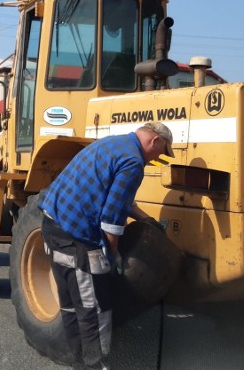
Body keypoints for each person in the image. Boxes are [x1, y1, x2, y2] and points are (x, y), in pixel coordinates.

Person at [37, 121, 173, 370]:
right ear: (155, 141)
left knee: (70, 303)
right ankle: (93, 365)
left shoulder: (113, 144)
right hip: (76, 239)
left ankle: (78, 360)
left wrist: (146, 220)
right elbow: (112, 219)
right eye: (161, 152)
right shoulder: (133, 162)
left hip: (52, 226)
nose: (158, 158)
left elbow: (120, 199)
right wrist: (112, 254)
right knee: (94, 306)